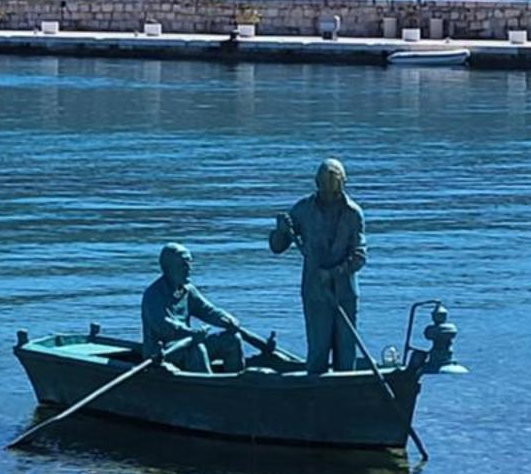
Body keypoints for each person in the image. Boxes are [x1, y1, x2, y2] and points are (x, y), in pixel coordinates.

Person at [269, 157, 366, 373]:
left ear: (343, 183)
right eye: (325, 183)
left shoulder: (353, 213)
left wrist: (333, 273)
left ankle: (348, 394)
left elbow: (359, 256)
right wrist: (281, 230)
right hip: (316, 293)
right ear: (317, 182)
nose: (330, 189)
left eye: (334, 183)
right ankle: (315, 397)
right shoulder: (303, 209)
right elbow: (277, 247)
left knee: (346, 352)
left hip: (344, 292)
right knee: (318, 350)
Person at [141, 243, 245, 375]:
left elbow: (208, 310)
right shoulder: (153, 295)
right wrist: (190, 332)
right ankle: (212, 390)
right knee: (197, 348)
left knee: (232, 339)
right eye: (183, 264)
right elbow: (163, 325)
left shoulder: (188, 290)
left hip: (189, 341)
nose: (189, 268)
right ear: (168, 268)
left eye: (189, 263)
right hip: (163, 352)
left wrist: (227, 319)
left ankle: (237, 381)